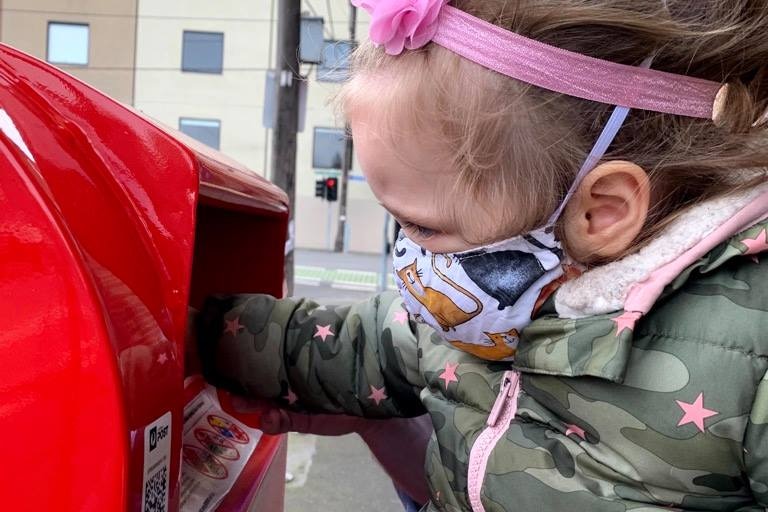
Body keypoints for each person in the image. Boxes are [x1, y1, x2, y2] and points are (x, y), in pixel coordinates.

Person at [192, 0, 768, 510]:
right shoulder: (475, 318)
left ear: (602, 213)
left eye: (426, 227)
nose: (409, 254)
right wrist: (190, 330)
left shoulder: (748, 365)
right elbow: (350, 343)